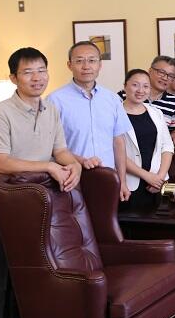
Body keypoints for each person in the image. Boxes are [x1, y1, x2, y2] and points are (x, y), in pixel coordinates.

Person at [0, 47, 82, 318]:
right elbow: (1, 162)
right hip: (2, 202)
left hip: (38, 202)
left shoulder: (51, 109)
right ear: (13, 78)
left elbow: (60, 150)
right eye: (27, 72)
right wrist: (48, 167)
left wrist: (74, 166)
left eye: (41, 70)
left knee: (31, 276)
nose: (37, 78)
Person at [47, 41, 131, 201]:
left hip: (108, 180)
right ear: (69, 65)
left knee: (106, 224)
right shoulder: (55, 100)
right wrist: (81, 161)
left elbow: (118, 142)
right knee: (77, 225)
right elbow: (50, 146)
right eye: (79, 61)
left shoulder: (112, 99)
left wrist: (122, 181)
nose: (86, 66)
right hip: (71, 180)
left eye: (92, 60)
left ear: (100, 65)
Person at [120, 69, 174, 212]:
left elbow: (167, 146)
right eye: (135, 85)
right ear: (125, 86)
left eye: (145, 86)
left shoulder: (156, 112)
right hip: (128, 183)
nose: (140, 90)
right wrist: (146, 176)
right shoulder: (115, 113)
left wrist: (159, 178)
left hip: (156, 185)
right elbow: (116, 152)